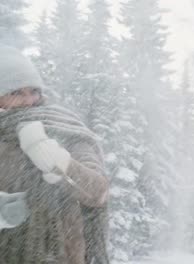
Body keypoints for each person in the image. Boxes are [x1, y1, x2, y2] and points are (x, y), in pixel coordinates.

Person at [0, 45, 109, 264]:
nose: (29, 101)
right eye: (16, 93)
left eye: (33, 91)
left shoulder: (63, 128)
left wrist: (59, 163)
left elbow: (98, 191)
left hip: (60, 256)